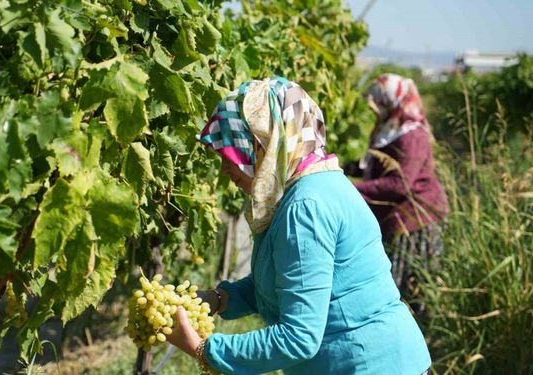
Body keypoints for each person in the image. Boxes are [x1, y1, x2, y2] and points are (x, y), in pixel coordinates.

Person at [167, 77, 431, 375]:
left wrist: (204, 349)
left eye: (234, 151)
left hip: (368, 365)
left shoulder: (305, 208)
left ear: (269, 142)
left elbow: (298, 337)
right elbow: (289, 283)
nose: (225, 167)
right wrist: (217, 300)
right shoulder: (311, 187)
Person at [351, 74, 448, 303]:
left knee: (405, 286)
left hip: (414, 221)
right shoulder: (392, 128)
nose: (373, 108)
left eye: (377, 102)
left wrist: (353, 189)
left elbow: (399, 184)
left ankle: (413, 332)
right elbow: (378, 163)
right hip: (397, 219)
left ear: (391, 101)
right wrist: (344, 168)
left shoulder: (412, 136)